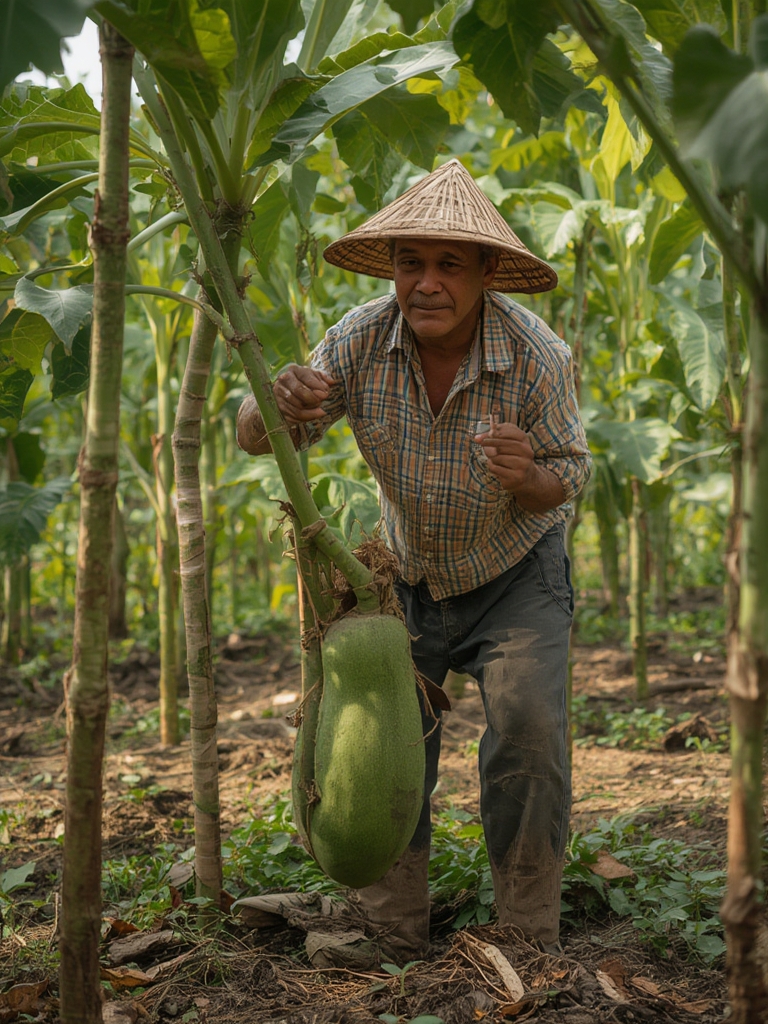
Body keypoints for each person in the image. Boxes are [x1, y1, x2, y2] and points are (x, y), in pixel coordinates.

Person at [236, 159, 591, 958]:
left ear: (487, 275)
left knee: (529, 729)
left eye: (448, 265)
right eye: (409, 263)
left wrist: (526, 475)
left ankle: (527, 932)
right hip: (405, 577)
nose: (426, 284)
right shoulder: (360, 337)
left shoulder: (535, 355)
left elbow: (568, 478)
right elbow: (265, 438)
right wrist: (271, 404)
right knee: (383, 742)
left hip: (516, 574)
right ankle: (389, 923)